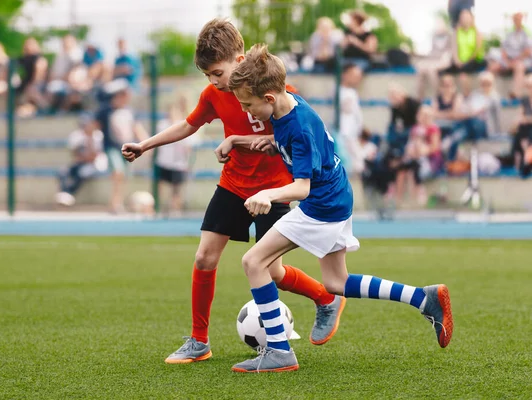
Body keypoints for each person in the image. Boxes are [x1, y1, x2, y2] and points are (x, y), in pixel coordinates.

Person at [121, 19, 346, 364]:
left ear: (239, 60)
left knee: (272, 271)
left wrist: (244, 142)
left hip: (274, 191)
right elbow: (188, 124)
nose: (213, 82)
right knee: (204, 257)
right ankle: (199, 341)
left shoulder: (279, 91)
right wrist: (145, 145)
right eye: (208, 76)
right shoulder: (214, 95)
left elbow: (299, 138)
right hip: (233, 185)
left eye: (216, 72)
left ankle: (325, 298)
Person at [227, 43, 453, 373]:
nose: (248, 113)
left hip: (320, 205)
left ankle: (279, 350)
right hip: (334, 198)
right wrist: (272, 144)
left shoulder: (299, 126)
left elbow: (302, 187)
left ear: (270, 98)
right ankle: (424, 299)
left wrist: (268, 194)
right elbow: (302, 147)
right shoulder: (288, 107)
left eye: (249, 105)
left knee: (254, 261)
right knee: (336, 282)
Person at [97, 79, 149, 213]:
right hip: (112, 147)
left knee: (123, 176)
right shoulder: (106, 111)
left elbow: (136, 128)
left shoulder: (129, 111)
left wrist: (146, 143)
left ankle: (118, 202)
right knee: (118, 173)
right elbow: (94, 126)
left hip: (126, 148)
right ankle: (115, 203)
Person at [155, 95, 199, 216]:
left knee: (176, 189)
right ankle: (158, 209)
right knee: (161, 185)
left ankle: (175, 211)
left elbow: (190, 146)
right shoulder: (162, 125)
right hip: (163, 161)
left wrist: (188, 162)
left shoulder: (183, 125)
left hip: (179, 164)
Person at [55, 113, 108, 206]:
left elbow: (94, 156)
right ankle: (65, 194)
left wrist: (90, 139)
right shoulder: (76, 135)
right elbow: (75, 155)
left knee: (83, 173)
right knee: (63, 172)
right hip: (80, 162)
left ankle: (68, 194)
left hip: (94, 164)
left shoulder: (98, 136)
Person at [396, 106, 443, 206]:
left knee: (413, 169)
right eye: (422, 115)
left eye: (426, 115)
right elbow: (410, 146)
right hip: (416, 157)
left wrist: (420, 152)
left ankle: (417, 199)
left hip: (430, 159)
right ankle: (398, 200)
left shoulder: (433, 129)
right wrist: (413, 153)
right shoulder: (416, 129)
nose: (424, 117)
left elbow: (434, 147)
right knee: (402, 169)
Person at [487, 12, 532, 99]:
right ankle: (492, 95)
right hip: (508, 60)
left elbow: (528, 51)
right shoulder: (509, 33)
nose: (517, 21)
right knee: (492, 67)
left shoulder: (527, 32)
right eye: (515, 19)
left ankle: (515, 94)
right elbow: (503, 49)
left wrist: (516, 59)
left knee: (519, 67)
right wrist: (506, 61)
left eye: (519, 19)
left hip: (521, 61)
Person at [415, 18, 452, 100]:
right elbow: (431, 53)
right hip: (434, 60)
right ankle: (419, 97)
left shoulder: (450, 37)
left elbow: (449, 53)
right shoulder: (434, 37)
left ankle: (438, 95)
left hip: (444, 61)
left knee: (431, 69)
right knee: (420, 68)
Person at [442, 9, 486, 75]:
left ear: (471, 18)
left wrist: (466, 62)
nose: (465, 19)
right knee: (443, 73)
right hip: (459, 62)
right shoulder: (456, 32)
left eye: (467, 17)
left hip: (474, 61)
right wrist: (457, 61)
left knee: (463, 72)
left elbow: (476, 51)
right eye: (463, 17)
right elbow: (454, 48)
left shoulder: (477, 32)